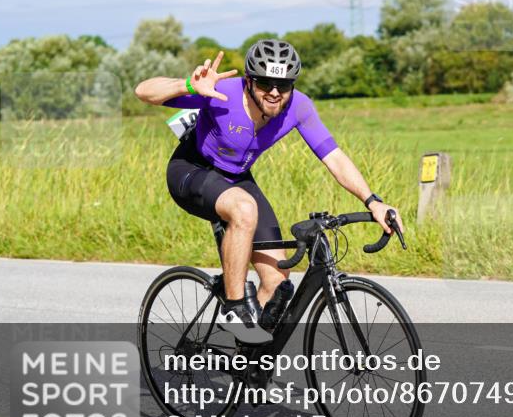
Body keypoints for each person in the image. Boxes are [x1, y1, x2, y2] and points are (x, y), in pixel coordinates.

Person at [134, 39, 404, 344]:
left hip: (237, 178)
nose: (274, 92)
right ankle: (234, 310)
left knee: (277, 281)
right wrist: (187, 86)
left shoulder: (298, 106)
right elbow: (144, 91)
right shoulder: (222, 93)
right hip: (192, 170)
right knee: (244, 208)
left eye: (283, 84)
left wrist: (373, 202)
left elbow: (334, 156)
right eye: (265, 83)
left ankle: (248, 366)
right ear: (249, 81)